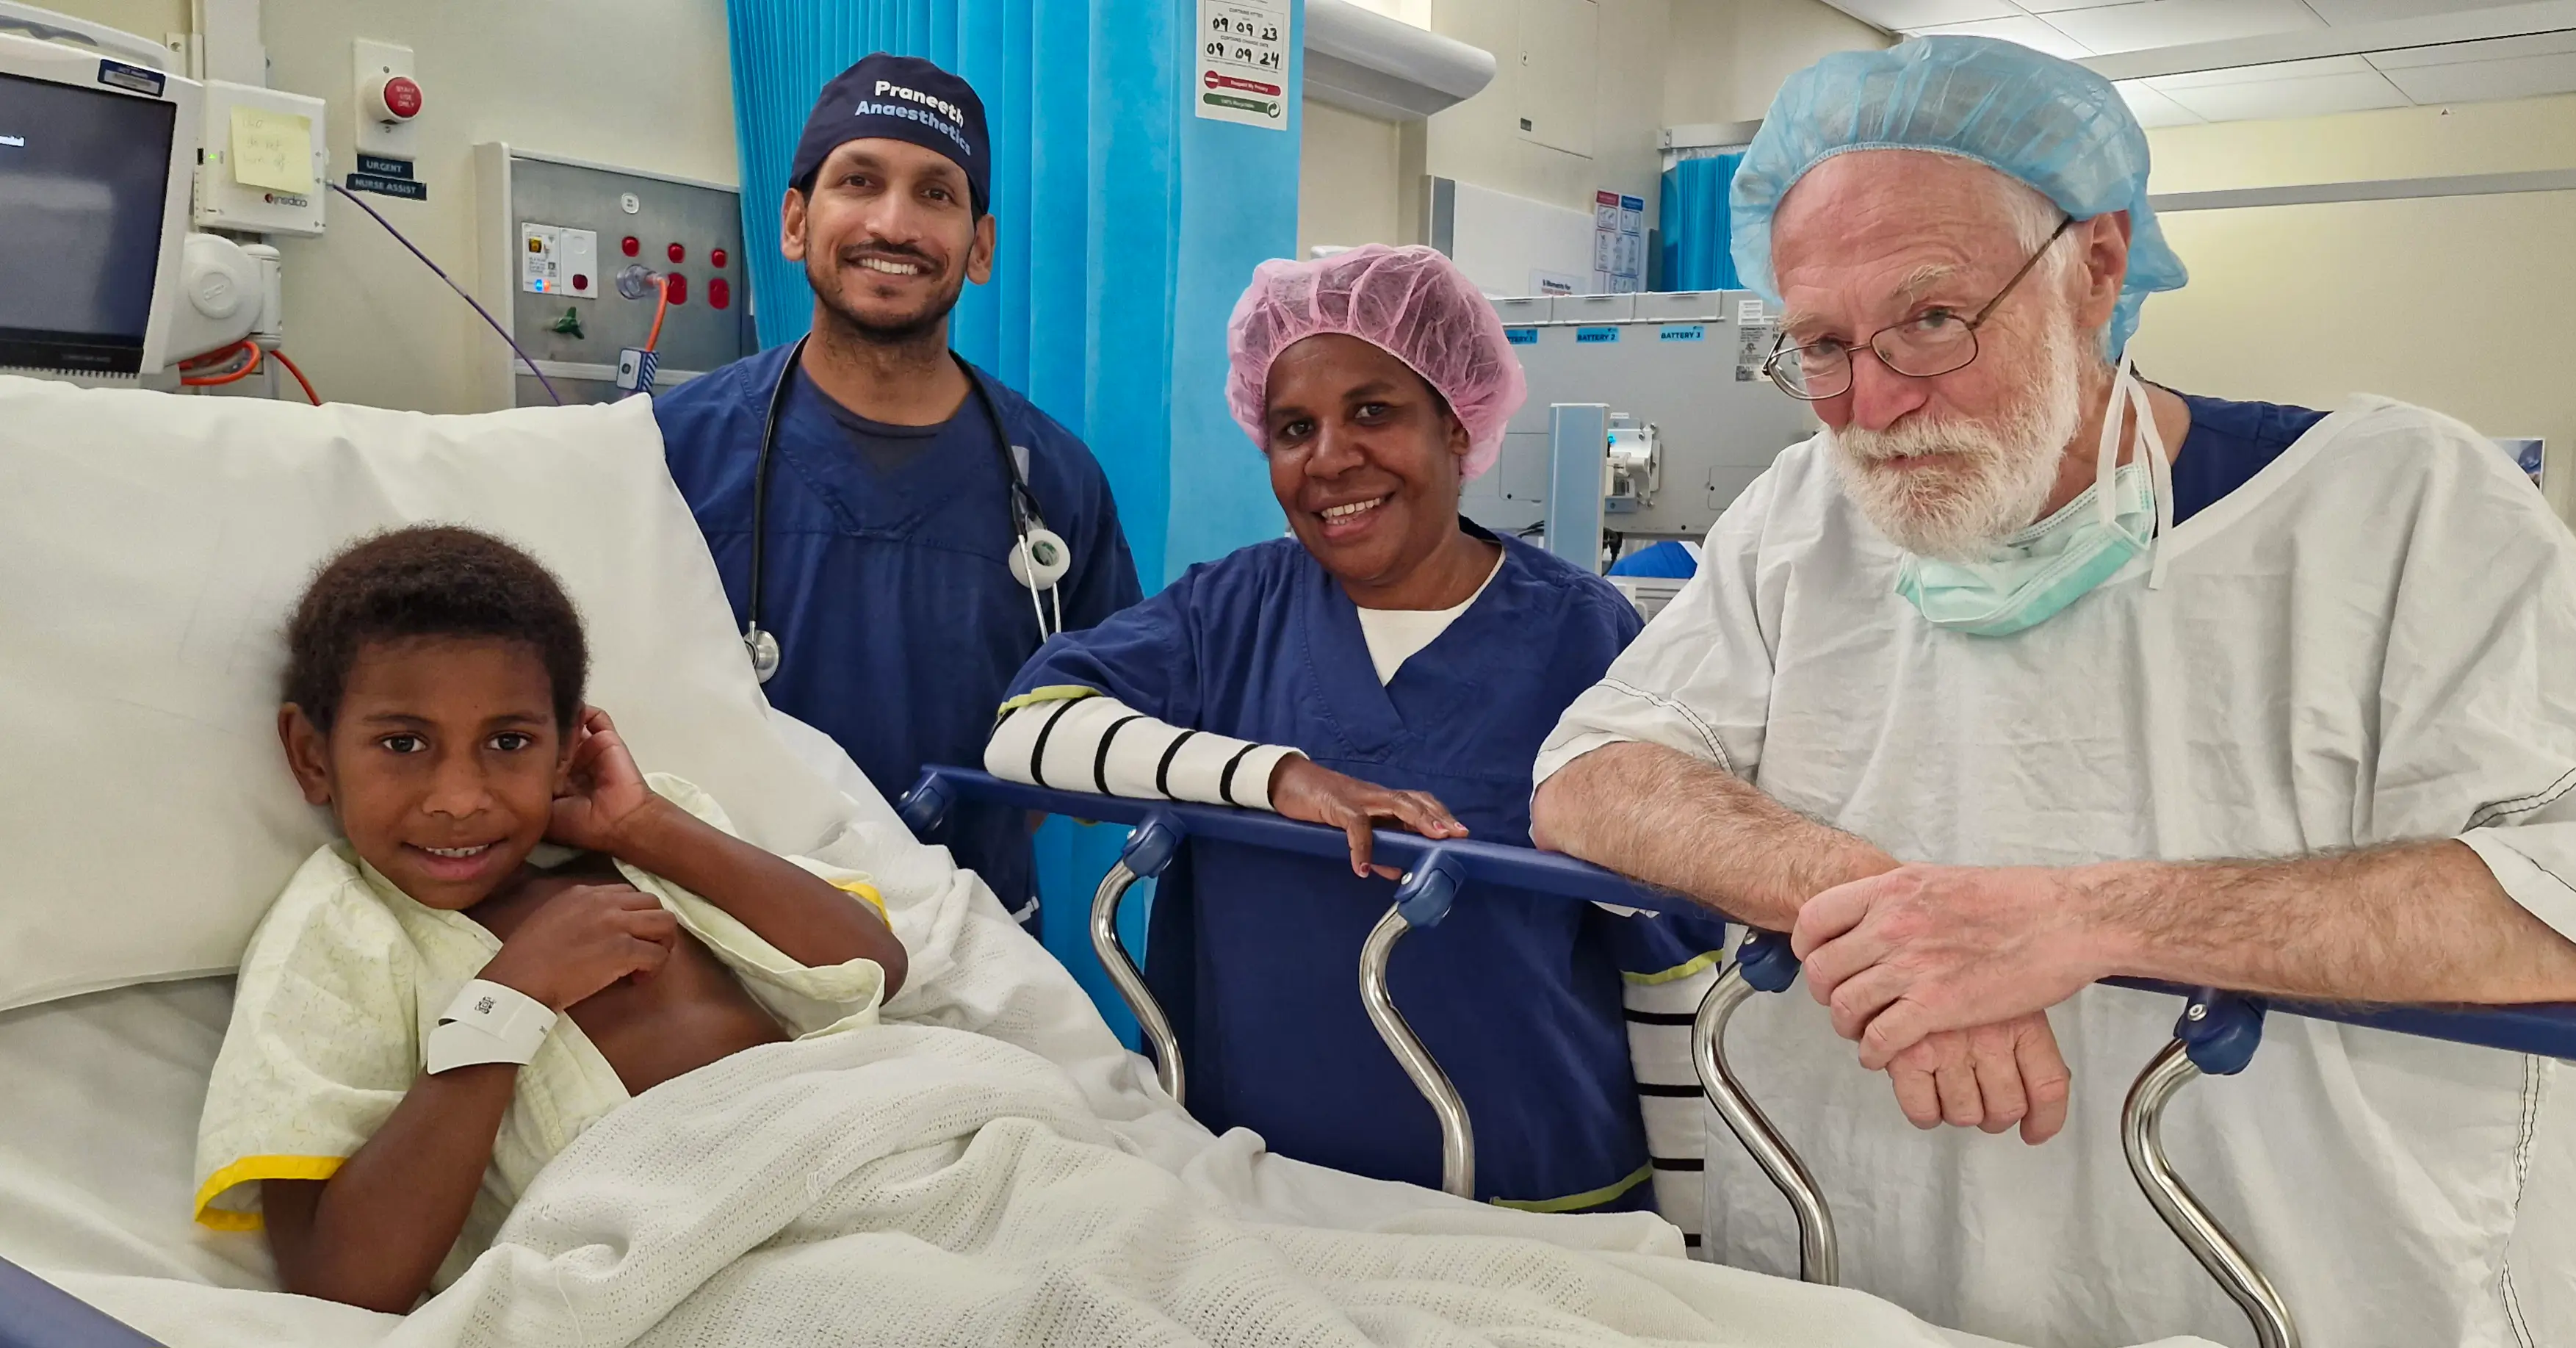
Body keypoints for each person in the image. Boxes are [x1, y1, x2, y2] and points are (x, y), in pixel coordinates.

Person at [1527, 37, 2576, 1348]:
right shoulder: (1807, 516)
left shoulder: (2397, 511)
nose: (1871, 403)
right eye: (1818, 346)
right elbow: (1592, 778)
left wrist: (2086, 918)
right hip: (1891, 1275)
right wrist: (1880, 908)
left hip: (2311, 1283)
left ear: (2093, 269)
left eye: (1931, 319)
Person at [982, 245, 1725, 1223]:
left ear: (1459, 423)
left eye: (1373, 411)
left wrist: (1698, 1238)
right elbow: (1027, 736)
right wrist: (1278, 775)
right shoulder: (1232, 609)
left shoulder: (1587, 636)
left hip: (1536, 1200)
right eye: (1295, 428)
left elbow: (1671, 959)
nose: (1330, 456)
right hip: (1256, 1186)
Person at [191, 527, 906, 1313]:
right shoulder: (339, 934)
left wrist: (646, 827)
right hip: (699, 1267)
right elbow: (343, 1279)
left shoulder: (651, 841)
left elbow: (874, 963)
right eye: (403, 742)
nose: (460, 795)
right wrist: (509, 999)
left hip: (874, 1155)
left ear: (567, 748)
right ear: (312, 755)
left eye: (509, 741)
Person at [655, 54, 1140, 930]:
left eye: (936, 194)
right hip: (729, 941)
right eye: (859, 180)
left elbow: (1092, 728)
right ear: (797, 221)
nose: (894, 221)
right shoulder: (670, 451)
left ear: (979, 248)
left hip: (980, 949)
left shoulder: (1057, 479)